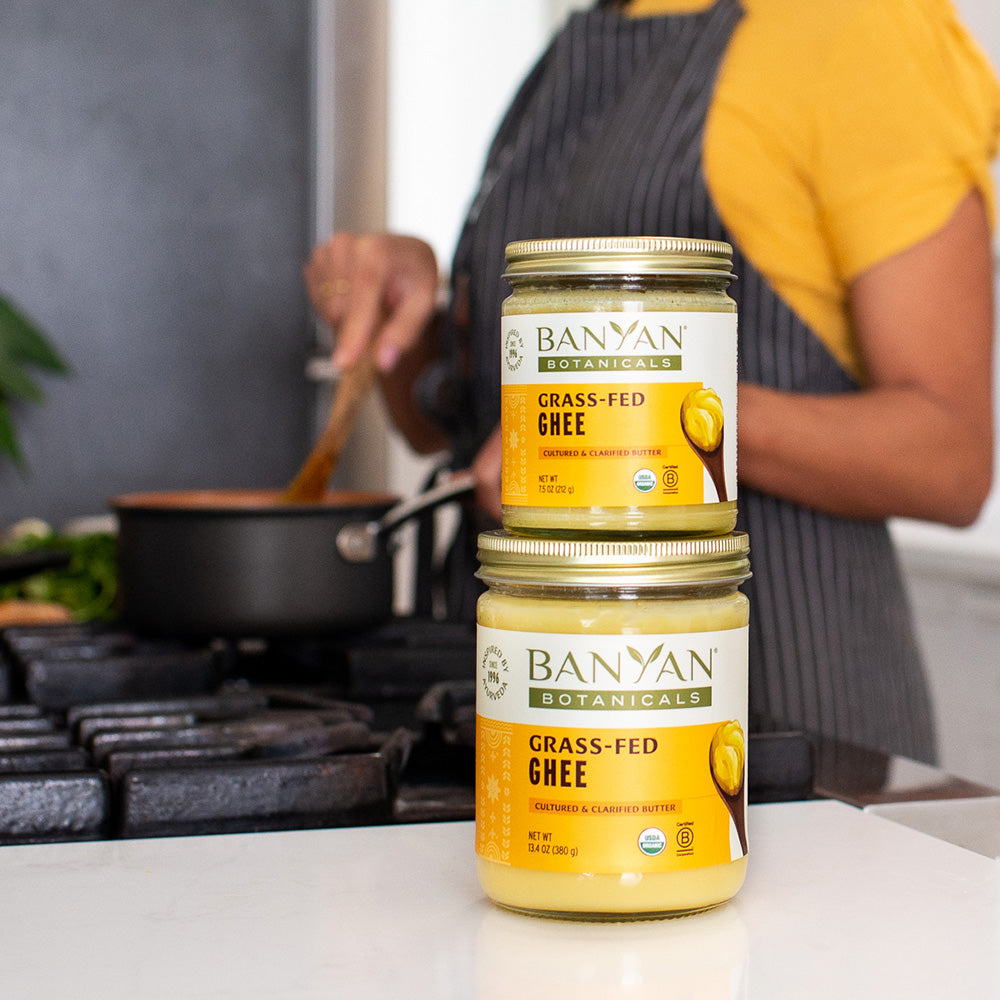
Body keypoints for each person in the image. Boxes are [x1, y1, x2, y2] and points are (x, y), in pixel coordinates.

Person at [303, 0, 1000, 763]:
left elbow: (950, 458)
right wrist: (408, 320)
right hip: (540, 721)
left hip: (780, 724)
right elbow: (449, 429)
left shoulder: (856, 33)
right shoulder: (573, 55)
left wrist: (642, 416)